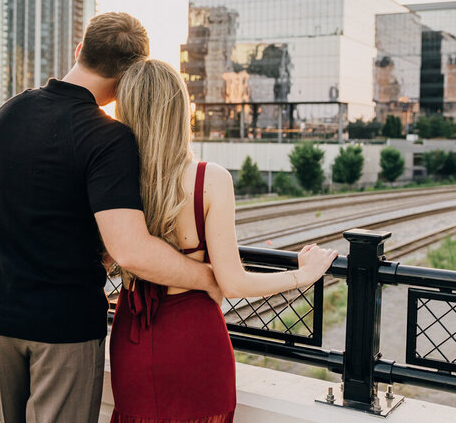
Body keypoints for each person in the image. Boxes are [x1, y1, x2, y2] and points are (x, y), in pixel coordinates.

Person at [0, 13, 222, 423]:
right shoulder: (108, 137)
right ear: (129, 76)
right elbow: (131, 250)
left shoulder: (8, 111)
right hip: (62, 325)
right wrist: (207, 278)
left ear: (79, 50)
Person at [108, 59, 337, 422]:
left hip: (132, 337)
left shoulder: (110, 179)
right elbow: (232, 281)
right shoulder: (208, 180)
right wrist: (301, 276)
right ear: (180, 112)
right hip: (195, 339)